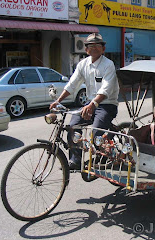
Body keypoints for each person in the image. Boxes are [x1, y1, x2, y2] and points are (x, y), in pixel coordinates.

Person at [49, 33, 119, 170]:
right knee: (73, 127)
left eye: (97, 46)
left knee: (96, 132)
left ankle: (105, 156)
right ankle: (75, 161)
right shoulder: (82, 64)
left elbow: (106, 89)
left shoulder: (108, 65)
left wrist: (93, 104)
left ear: (103, 49)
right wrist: (58, 101)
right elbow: (72, 84)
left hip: (107, 104)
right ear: (86, 49)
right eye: (90, 46)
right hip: (89, 103)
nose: (94, 49)